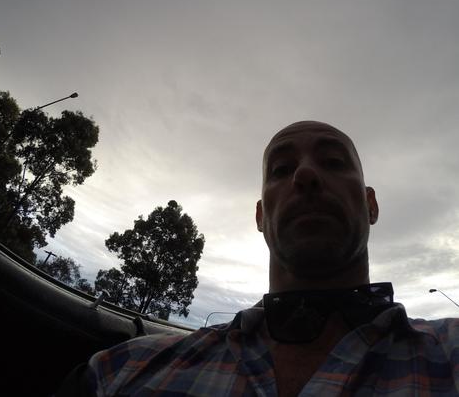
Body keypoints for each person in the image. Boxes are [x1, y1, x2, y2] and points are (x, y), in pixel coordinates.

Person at [56, 120, 459, 396]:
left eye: (334, 163)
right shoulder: (118, 375)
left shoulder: (450, 352)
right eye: (281, 169)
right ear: (260, 216)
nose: (305, 175)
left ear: (370, 204)